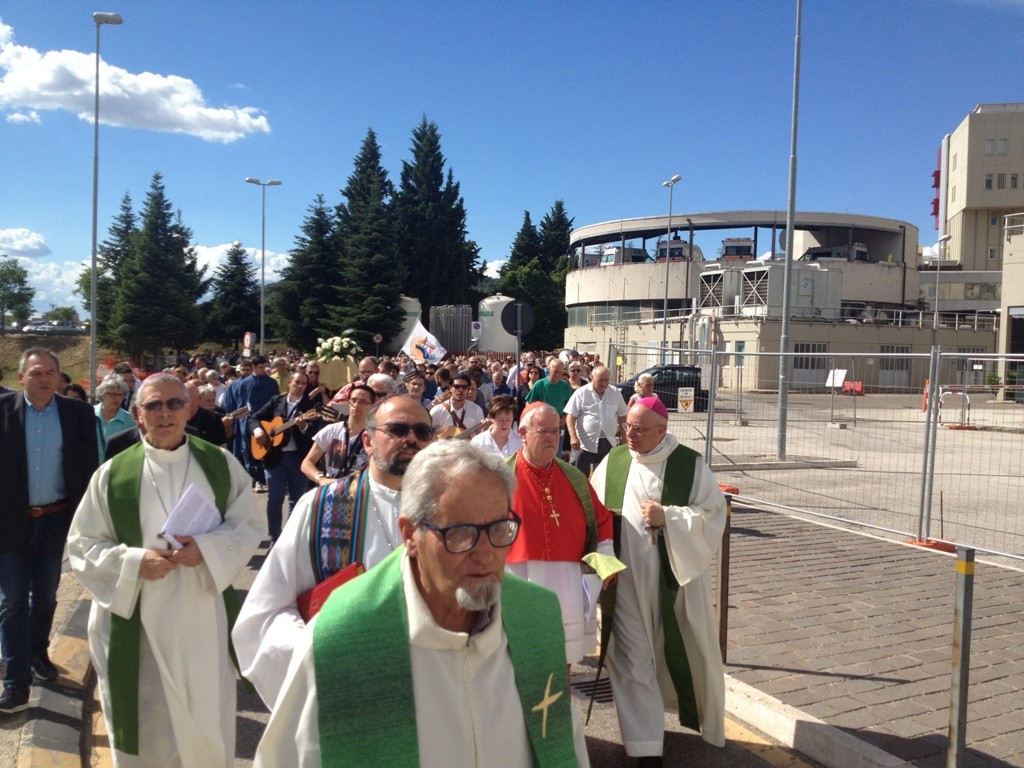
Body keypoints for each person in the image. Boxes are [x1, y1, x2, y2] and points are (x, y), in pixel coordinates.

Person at [253, 440, 590, 767]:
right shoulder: (343, 638)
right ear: (410, 535)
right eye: (459, 532)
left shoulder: (537, 618)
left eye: (499, 529)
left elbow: (565, 743)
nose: (486, 554)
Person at [67, 373, 261, 765]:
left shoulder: (219, 464)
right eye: (153, 405)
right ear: (137, 414)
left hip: (200, 616)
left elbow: (249, 524)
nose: (165, 412)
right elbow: (82, 545)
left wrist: (206, 549)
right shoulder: (112, 475)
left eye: (174, 403)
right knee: (148, 722)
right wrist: (136, 562)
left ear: (190, 409)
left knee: (204, 716)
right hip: (138, 619)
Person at [232, 395, 435, 707]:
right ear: (367, 441)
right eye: (397, 429)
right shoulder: (319, 507)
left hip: (429, 687)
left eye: (422, 432)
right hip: (343, 684)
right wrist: (316, 649)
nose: (411, 439)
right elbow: (264, 614)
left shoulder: (453, 509)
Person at [590, 397, 728, 763]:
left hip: (673, 583)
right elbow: (595, 512)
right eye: (626, 427)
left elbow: (714, 514)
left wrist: (669, 516)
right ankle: (646, 747)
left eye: (637, 429)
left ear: (661, 431)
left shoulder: (689, 464)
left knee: (678, 652)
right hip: (625, 584)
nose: (628, 435)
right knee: (633, 660)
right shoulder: (615, 461)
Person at [0, 348, 100, 714]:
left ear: (60, 378)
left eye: (51, 373)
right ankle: (15, 683)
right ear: (21, 377)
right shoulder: (3, 411)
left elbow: (90, 467)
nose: (45, 379)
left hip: (57, 518)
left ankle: (39, 653)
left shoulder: (77, 413)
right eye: (37, 373)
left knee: (44, 595)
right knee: (12, 600)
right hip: (11, 522)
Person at [505, 403, 613, 664]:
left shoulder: (574, 478)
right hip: (518, 581)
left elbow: (601, 521)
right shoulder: (501, 479)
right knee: (519, 663)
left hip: (566, 584)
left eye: (556, 432)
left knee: (560, 663)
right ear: (522, 432)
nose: (552, 438)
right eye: (544, 432)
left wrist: (605, 563)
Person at [249, 371, 320, 543]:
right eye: (297, 381)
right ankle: (274, 536)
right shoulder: (276, 401)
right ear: (289, 382)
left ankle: (289, 539)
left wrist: (304, 427)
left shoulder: (310, 406)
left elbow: (316, 433)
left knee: (296, 501)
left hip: (298, 458)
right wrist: (259, 431)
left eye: (304, 383)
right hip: (275, 457)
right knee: (274, 499)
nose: (300, 385)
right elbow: (255, 418)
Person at [301, 384, 375, 485]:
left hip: (361, 491)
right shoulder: (330, 430)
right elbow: (307, 463)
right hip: (332, 489)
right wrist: (320, 478)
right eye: (353, 400)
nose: (356, 405)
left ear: (372, 406)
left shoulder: (376, 436)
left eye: (363, 402)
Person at [564, 365, 628, 476]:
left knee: (604, 477)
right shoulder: (581, 392)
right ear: (592, 377)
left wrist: (624, 437)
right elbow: (570, 416)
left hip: (608, 442)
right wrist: (573, 437)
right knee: (580, 477)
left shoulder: (615, 393)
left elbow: (622, 416)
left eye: (606, 380)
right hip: (585, 443)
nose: (603, 383)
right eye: (600, 380)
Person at [430, 370, 484, 437]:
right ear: (450, 388)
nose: (460, 390)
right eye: (457, 386)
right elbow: (427, 435)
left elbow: (480, 436)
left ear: (468, 389)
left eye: (464, 387)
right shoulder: (437, 410)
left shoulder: (477, 410)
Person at [95, 374, 135, 461]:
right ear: (103, 393)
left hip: (116, 469)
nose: (117, 398)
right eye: (113, 394)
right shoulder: (89, 414)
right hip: (91, 470)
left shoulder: (129, 420)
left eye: (121, 395)